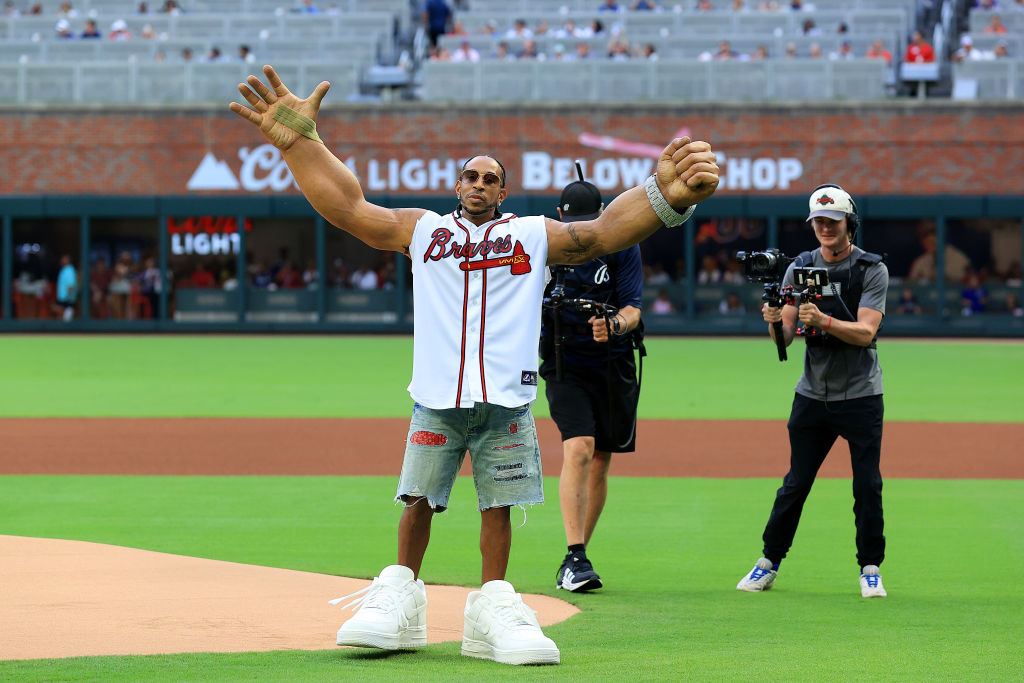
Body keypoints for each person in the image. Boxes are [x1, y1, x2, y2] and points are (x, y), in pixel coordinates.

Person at [229, 65, 718, 666]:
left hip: (505, 400)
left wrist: (665, 196)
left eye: (491, 177)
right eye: (471, 175)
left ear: (503, 192)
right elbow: (351, 209)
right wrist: (302, 145)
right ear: (457, 184)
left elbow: (602, 234)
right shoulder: (424, 230)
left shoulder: (530, 234)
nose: (480, 182)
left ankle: (492, 608)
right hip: (436, 394)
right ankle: (399, 601)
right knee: (417, 499)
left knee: (498, 505)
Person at [736, 184, 890, 599]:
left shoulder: (871, 269)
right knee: (795, 483)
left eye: (832, 221)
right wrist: (772, 319)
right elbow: (785, 336)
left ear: (848, 224)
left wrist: (822, 321)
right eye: (818, 222)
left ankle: (870, 568)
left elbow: (866, 331)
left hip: (861, 394)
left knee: (867, 485)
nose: (824, 228)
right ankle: (768, 562)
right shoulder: (798, 268)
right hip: (812, 393)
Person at [540, 172, 644, 593]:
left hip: (613, 363)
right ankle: (575, 554)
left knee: (602, 458)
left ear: (603, 216)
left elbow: (633, 306)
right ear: (559, 218)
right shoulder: (544, 247)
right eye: (574, 221)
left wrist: (614, 324)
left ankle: (580, 557)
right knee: (579, 447)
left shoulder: (623, 244)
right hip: (565, 364)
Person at [54, 254, 77, 321]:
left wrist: (69, 297)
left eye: (65, 259)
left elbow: (70, 285)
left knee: (66, 317)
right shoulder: (64, 269)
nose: (62, 260)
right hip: (63, 298)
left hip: (67, 299)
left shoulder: (69, 270)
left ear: (69, 260)